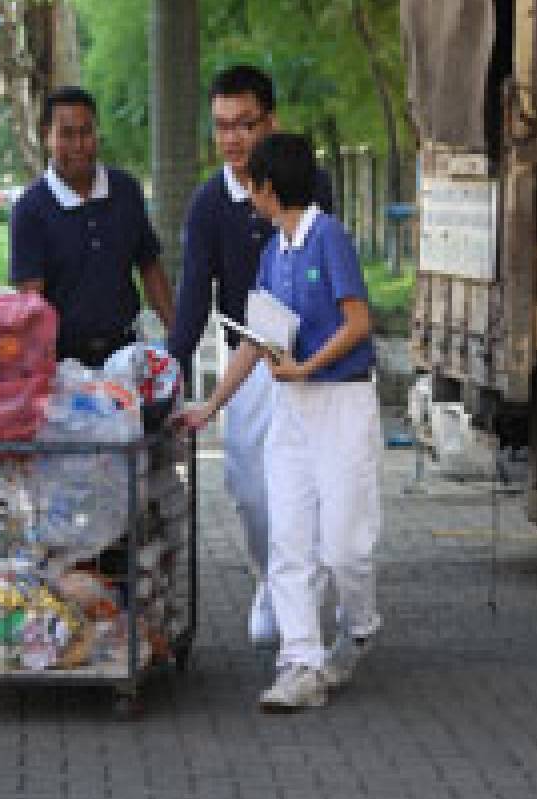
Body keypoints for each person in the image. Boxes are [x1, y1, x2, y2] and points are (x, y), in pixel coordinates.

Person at [173, 133, 382, 711]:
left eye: (253, 186)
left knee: (344, 548)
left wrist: (306, 366)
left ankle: (360, 625)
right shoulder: (274, 254)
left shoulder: (327, 237)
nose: (250, 197)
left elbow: (358, 321)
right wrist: (211, 406)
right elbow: (256, 339)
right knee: (289, 539)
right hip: (293, 411)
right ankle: (300, 664)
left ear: (270, 188)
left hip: (340, 404)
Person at [167, 66, 334, 647]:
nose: (234, 139)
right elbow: (192, 297)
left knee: (311, 486)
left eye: (246, 124)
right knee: (249, 484)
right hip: (250, 360)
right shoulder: (209, 203)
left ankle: (302, 602)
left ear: (271, 121)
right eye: (222, 127)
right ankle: (271, 577)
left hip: (315, 360)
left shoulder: (313, 184)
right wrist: (171, 372)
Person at [10, 86, 174, 367]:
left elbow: (149, 266)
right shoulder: (30, 208)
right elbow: (30, 301)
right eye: (66, 134)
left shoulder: (125, 189)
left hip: (125, 354)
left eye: (86, 132)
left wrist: (177, 333)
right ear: (47, 135)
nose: (78, 145)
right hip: (62, 364)